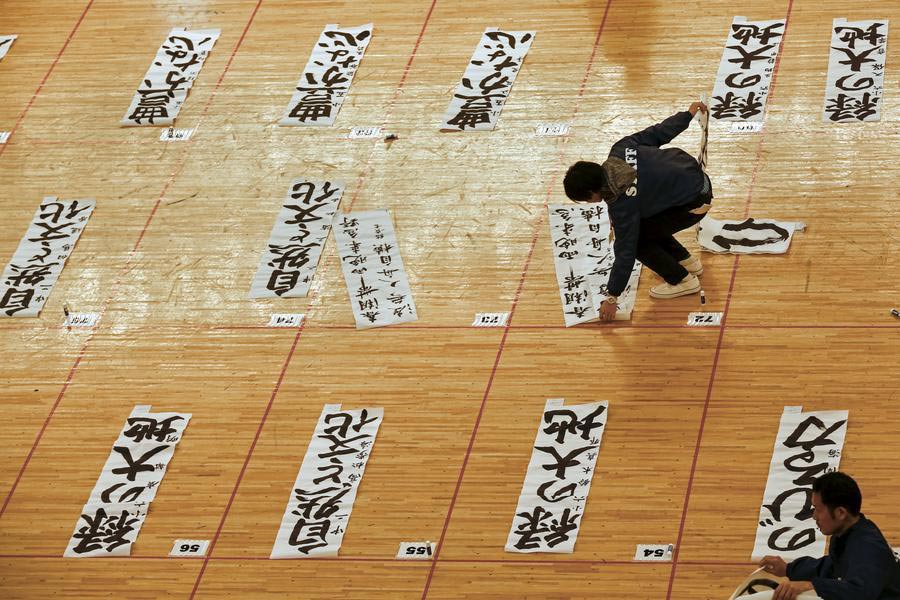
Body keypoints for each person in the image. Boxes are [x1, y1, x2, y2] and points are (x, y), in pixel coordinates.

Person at [563, 101, 712, 321]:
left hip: (694, 204)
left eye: (586, 200)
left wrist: (612, 296)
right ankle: (686, 261)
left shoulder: (622, 203)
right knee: (644, 222)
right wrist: (687, 114)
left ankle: (682, 280)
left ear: (592, 191)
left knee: (637, 240)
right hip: (698, 180)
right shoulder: (621, 149)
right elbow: (659, 132)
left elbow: (625, 253)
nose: (590, 204)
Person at [759, 472, 900, 600]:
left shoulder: (868, 547)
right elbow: (831, 566)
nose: (814, 516)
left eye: (818, 510)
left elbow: (860, 592)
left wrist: (812, 586)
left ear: (840, 513)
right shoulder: (847, 533)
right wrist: (789, 568)